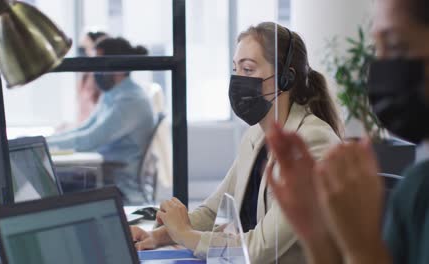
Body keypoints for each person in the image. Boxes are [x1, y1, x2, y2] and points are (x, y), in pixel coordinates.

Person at [131, 22, 342, 263]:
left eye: (248, 70)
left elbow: (259, 248)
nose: (238, 80)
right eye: (235, 69)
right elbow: (212, 211)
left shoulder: (313, 143)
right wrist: (159, 235)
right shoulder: (256, 136)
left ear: (286, 79)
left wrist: (184, 234)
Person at [265, 0, 429, 263]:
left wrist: (360, 244)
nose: (380, 68)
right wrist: (316, 232)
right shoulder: (417, 188)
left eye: (397, 46)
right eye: (377, 50)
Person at [47, 37, 156, 204]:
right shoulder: (113, 94)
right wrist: (44, 141)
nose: (94, 71)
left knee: (48, 184)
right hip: (102, 176)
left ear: (118, 69)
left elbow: (90, 140)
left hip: (119, 185)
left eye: (99, 64)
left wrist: (44, 145)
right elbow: (84, 129)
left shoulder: (131, 101)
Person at [76, 31, 108, 123]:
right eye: (82, 49)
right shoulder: (84, 76)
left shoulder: (103, 80)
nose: (85, 53)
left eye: (88, 48)